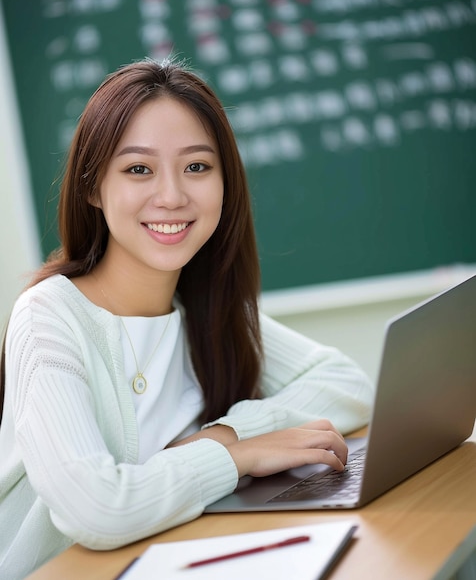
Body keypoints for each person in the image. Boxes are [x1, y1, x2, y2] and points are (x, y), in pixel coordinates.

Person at [0, 58, 374, 579]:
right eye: (138, 169)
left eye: (197, 167)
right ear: (92, 188)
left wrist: (228, 432)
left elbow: (347, 384)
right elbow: (99, 510)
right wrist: (237, 456)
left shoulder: (201, 305)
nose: (172, 196)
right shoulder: (49, 316)